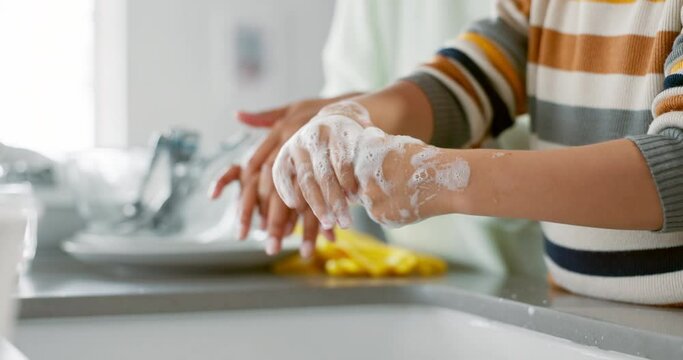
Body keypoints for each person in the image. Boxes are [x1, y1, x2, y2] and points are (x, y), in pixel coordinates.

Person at [265, 0, 683, 306]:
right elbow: (459, 83)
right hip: (582, 311)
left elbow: (676, 167)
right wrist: (349, 118)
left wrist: (445, 180)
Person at [213, 0, 546, 278]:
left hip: (535, 281)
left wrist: (441, 176)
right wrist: (314, 151)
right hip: (421, 277)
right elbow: (467, 77)